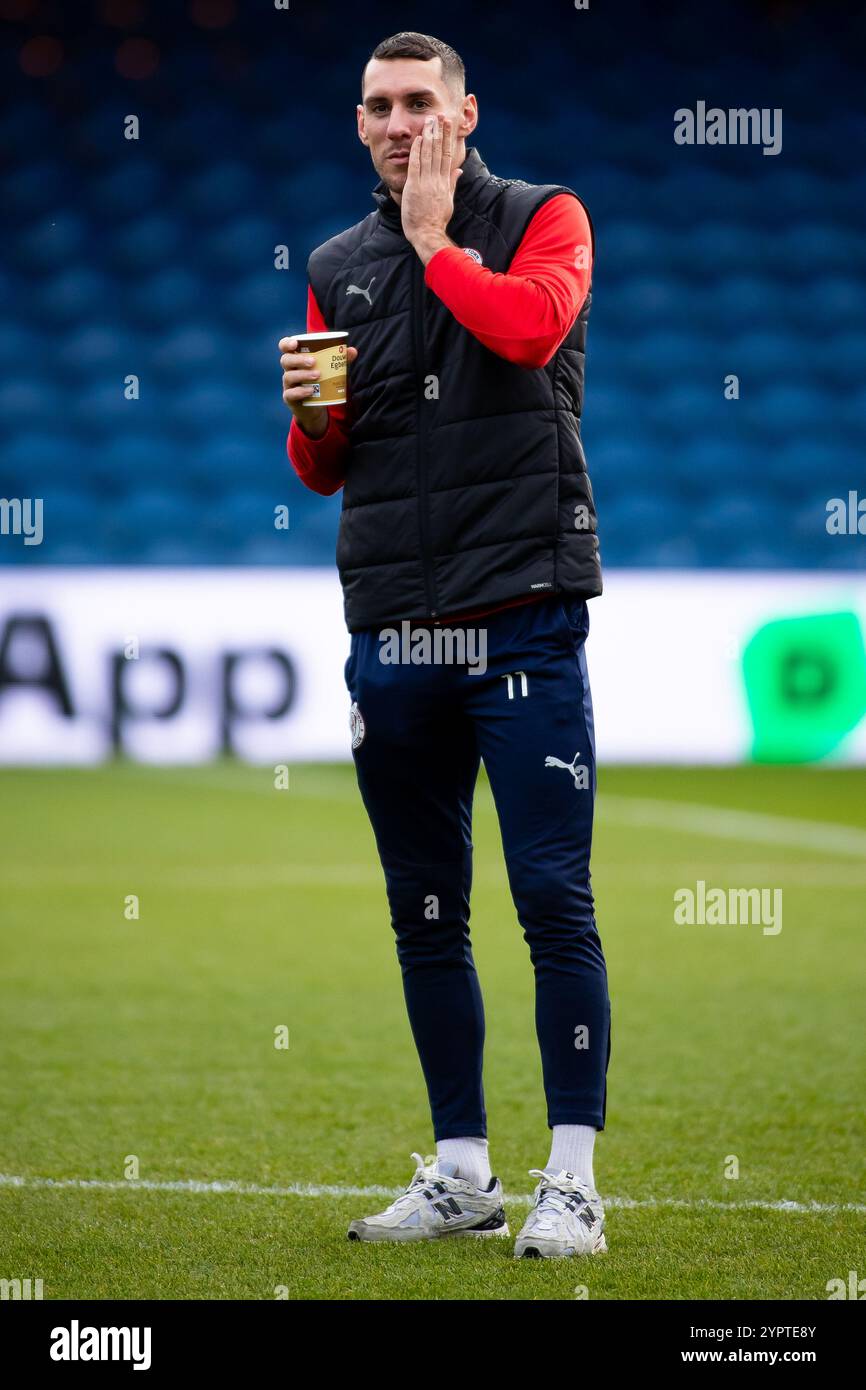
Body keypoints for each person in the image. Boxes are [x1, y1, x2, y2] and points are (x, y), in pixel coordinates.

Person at [279, 30, 610, 1259]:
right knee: (425, 910)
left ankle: (569, 1178)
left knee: (548, 898)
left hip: (521, 613)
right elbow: (322, 471)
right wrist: (311, 416)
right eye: (377, 104)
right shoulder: (333, 266)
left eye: (421, 100)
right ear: (357, 120)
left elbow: (527, 333)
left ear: (465, 112)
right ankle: (462, 1168)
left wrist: (432, 241)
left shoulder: (544, 218)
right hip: (393, 631)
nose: (397, 120)